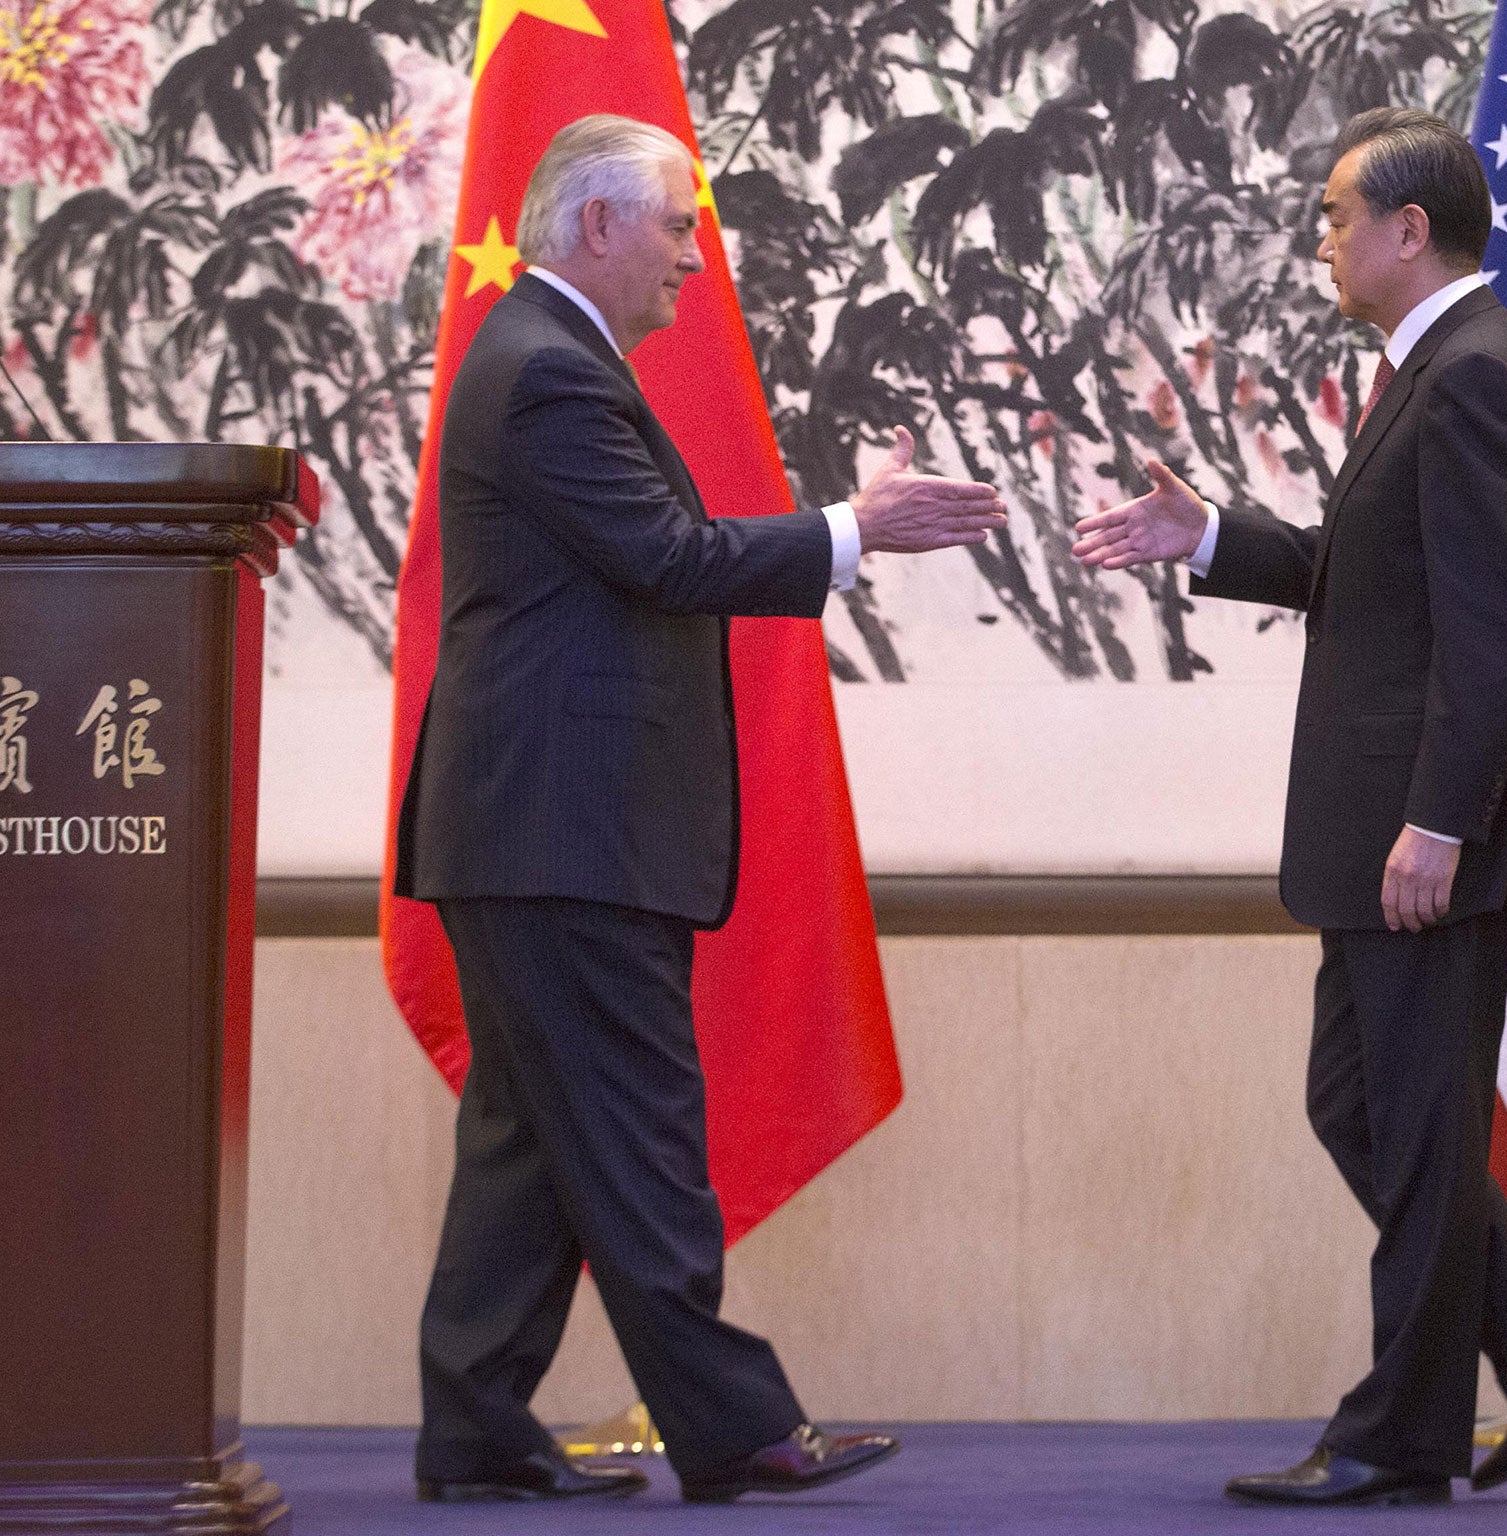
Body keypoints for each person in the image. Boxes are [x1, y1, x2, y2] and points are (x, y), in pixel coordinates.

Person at [393, 113, 1005, 1505]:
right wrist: (854, 532)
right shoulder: (549, 371)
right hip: (562, 832)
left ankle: (476, 1428)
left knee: (532, 1144)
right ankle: (737, 1433)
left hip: (537, 828)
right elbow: (666, 558)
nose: (693, 253)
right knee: (641, 1129)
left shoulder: (547, 357)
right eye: (676, 223)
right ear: (596, 225)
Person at [1072, 107, 1507, 1508]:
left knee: (1416, 1126)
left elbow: (1495, 633)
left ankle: (1400, 1437)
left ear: (1407, 230)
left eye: (1338, 216)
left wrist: (1439, 822)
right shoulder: (1432, 369)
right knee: (1365, 1107)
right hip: (1391, 832)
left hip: (1426, 837)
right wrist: (1207, 535)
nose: (1322, 240)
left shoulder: (1475, 377)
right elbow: (1373, 574)